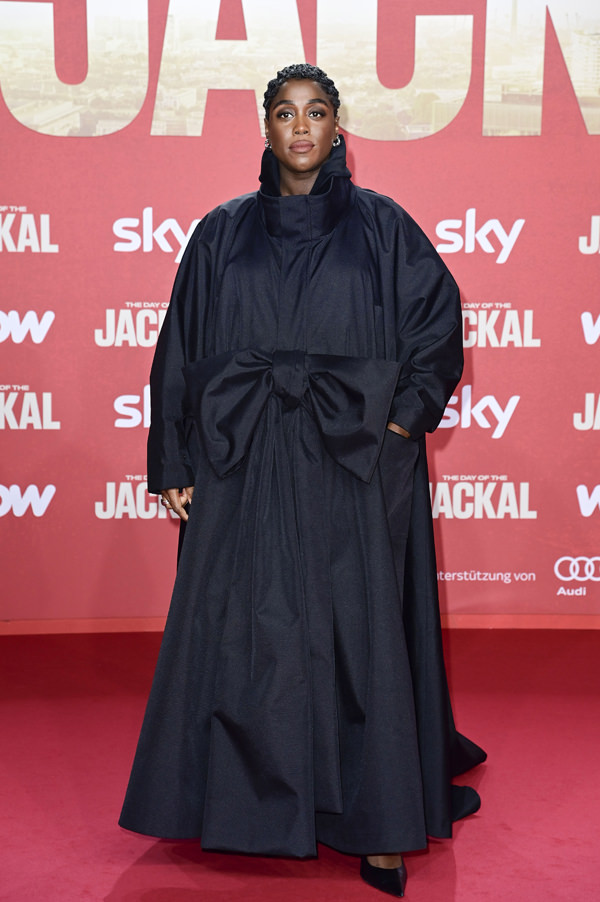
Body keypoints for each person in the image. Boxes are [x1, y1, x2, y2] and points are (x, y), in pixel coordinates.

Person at [119, 63, 486, 898]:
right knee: (248, 634)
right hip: (242, 464)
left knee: (358, 637)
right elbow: (178, 350)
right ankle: (243, 807)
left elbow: (439, 324)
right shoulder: (219, 235)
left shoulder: (386, 229)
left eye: (315, 113)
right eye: (284, 114)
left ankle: (378, 824)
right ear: (265, 127)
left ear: (336, 124)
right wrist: (173, 459)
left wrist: (403, 419)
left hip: (354, 464)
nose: (300, 129)